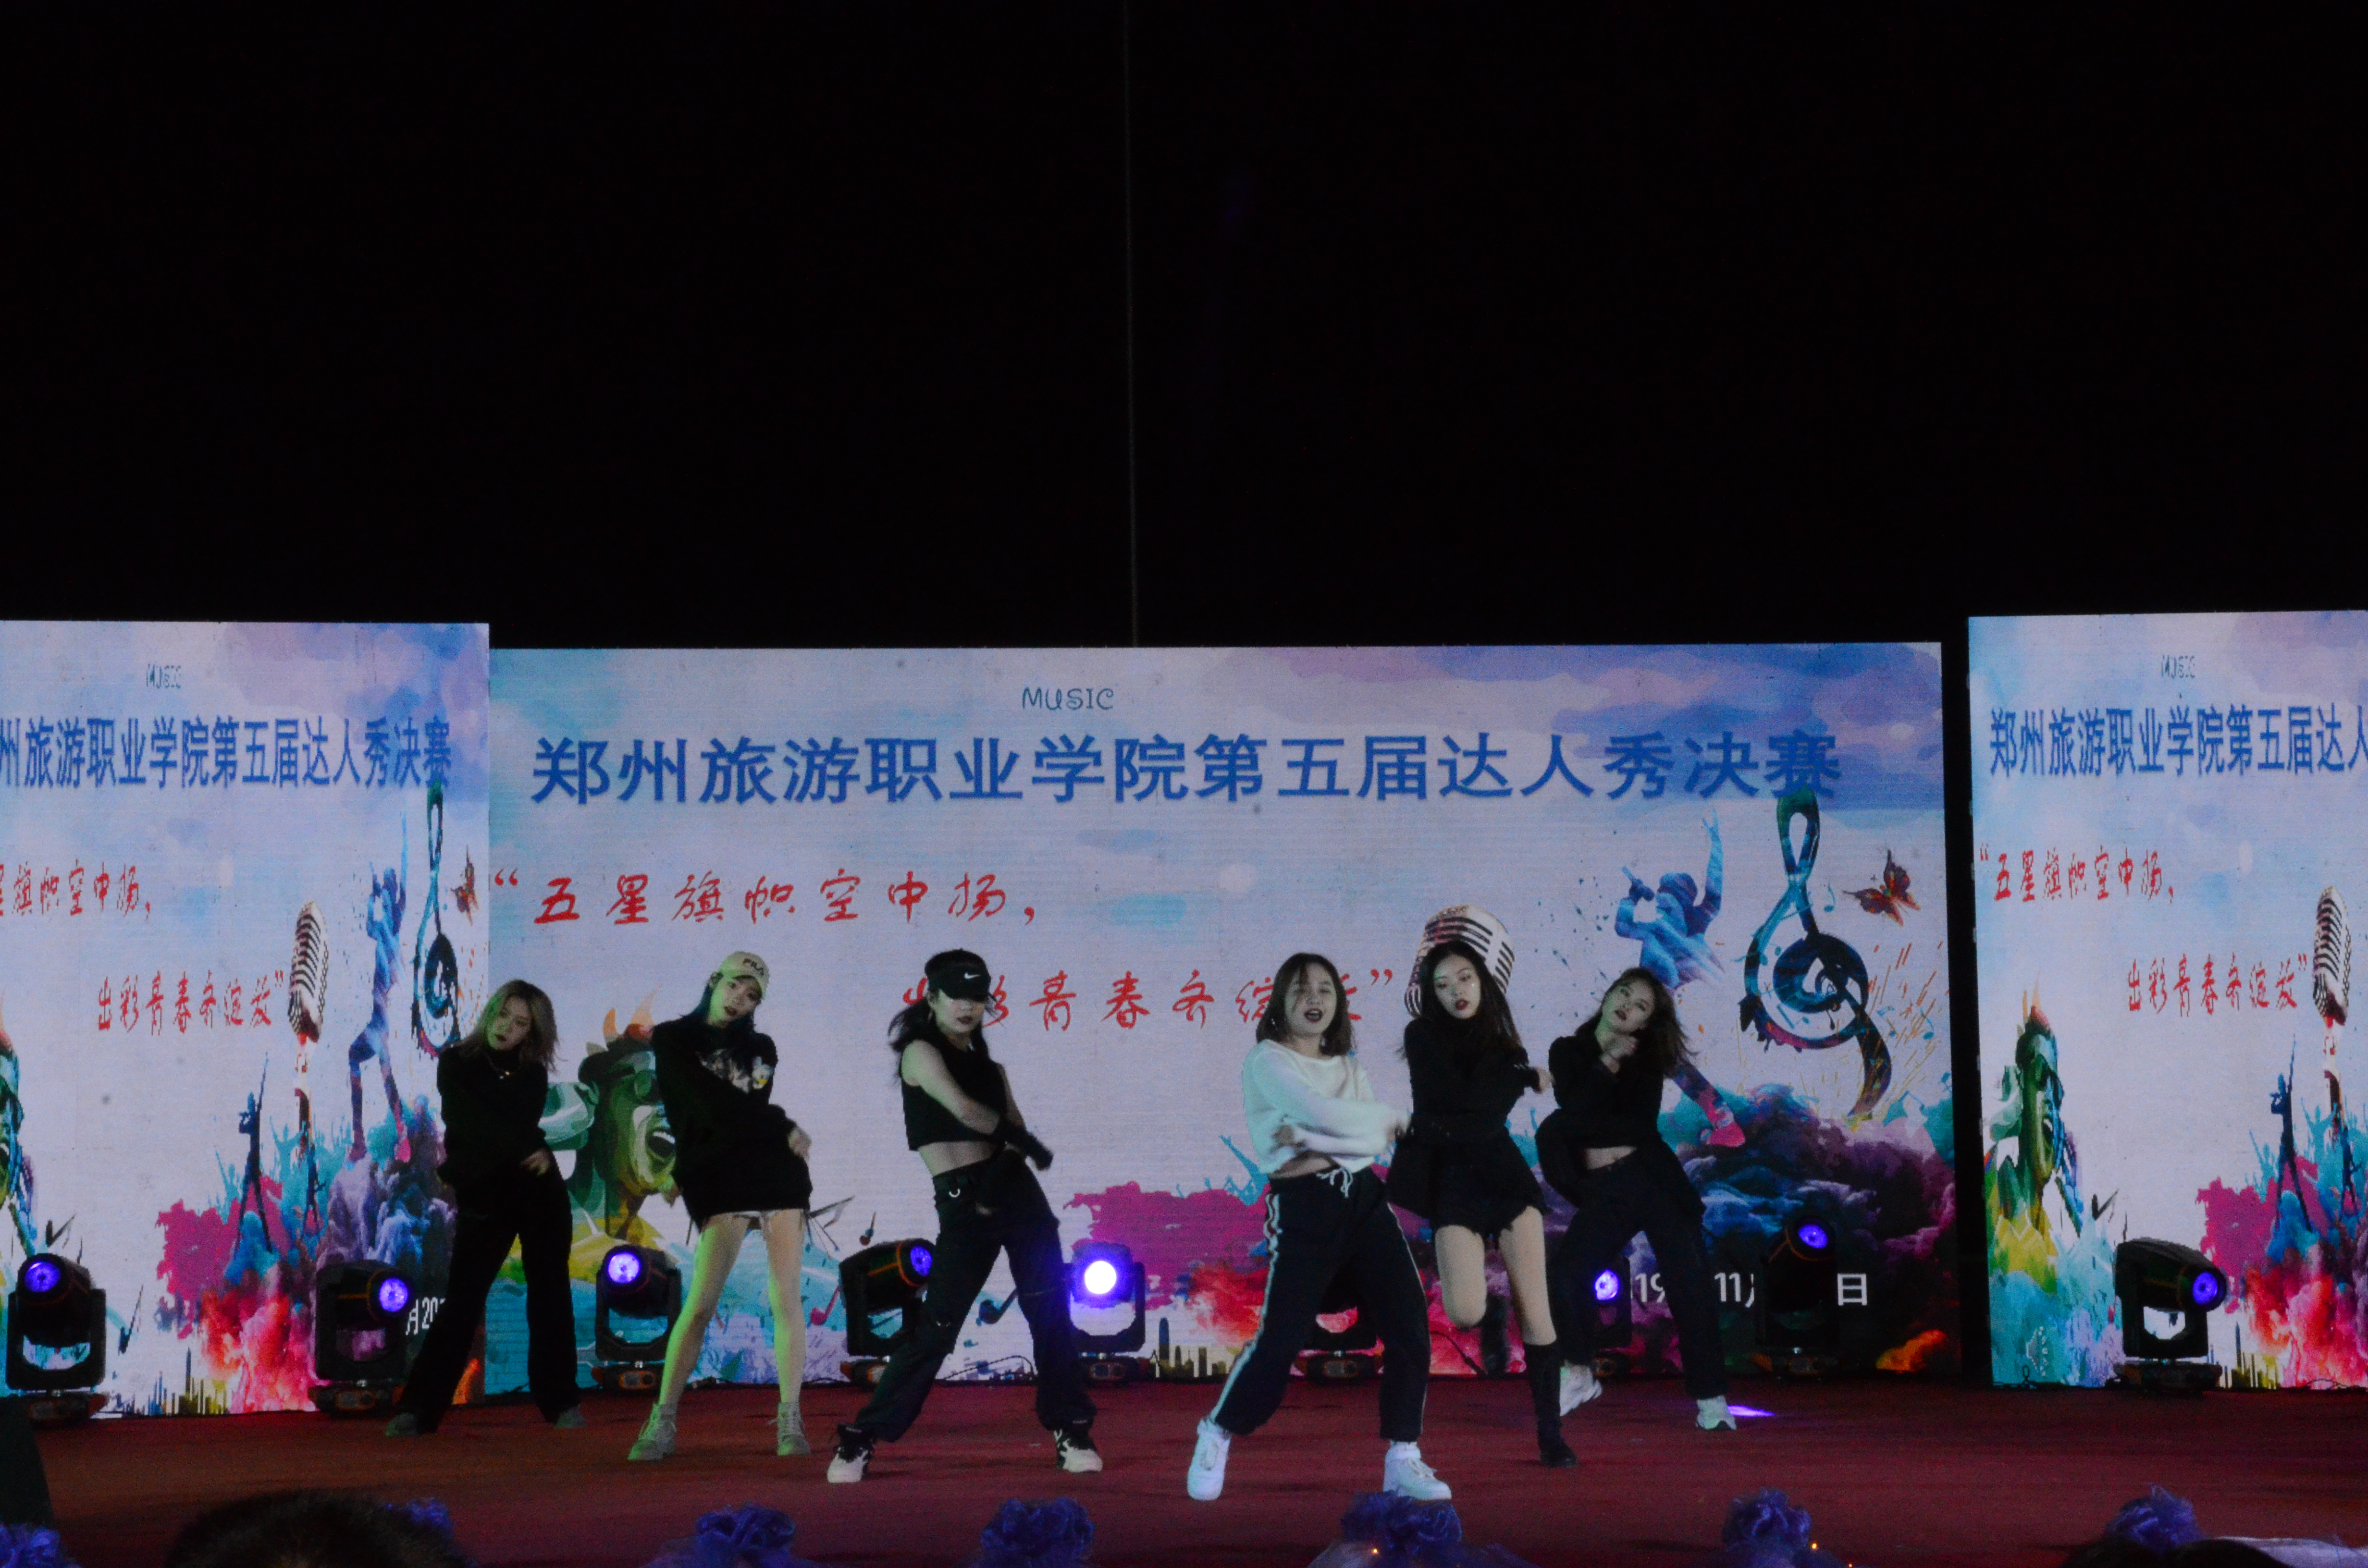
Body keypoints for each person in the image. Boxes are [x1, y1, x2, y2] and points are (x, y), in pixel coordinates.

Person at [828, 950, 1099, 1483]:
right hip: (961, 1200)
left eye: (977, 997)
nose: (967, 1006)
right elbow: (965, 1110)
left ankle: (1071, 1428)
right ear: (931, 998)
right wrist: (1022, 1146)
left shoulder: (993, 1070)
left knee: (1049, 1312)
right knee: (937, 1327)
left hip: (1014, 1193)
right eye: (956, 995)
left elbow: (1010, 1129)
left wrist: (1007, 1168)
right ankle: (864, 1436)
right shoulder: (919, 1053)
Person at [1187, 953, 1448, 1505]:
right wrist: (1374, 1124)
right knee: (1282, 1339)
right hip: (1303, 1207)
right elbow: (1332, 1117)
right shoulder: (1266, 1061)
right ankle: (1217, 1431)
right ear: (1281, 1001)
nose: (1314, 1000)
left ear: (1338, 1002)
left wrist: (1318, 1139)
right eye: (1301, 990)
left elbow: (1366, 1143)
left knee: (1408, 1324)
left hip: (1363, 1200)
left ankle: (1403, 1456)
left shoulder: (1347, 1066)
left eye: (1325, 990)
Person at [1385, 907, 1573, 1467]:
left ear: (1483, 981)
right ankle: (1493, 1312)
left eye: (1464, 978)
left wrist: (1437, 1120)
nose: (1456, 991)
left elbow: (1473, 1123)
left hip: (1504, 1180)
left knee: (1536, 1312)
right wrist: (1513, 1081)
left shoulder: (1507, 1051)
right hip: (1452, 1185)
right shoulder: (1421, 1036)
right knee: (1464, 1311)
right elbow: (1459, 1114)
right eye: (1442, 984)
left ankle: (1550, 1433)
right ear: (1430, 993)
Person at [629, 951, 814, 1461]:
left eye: (752, 995)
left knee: (786, 1298)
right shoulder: (672, 1038)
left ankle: (790, 1419)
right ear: (714, 981)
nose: (740, 999)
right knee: (700, 1305)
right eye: (735, 986)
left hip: (777, 1176)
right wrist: (780, 1124)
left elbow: (744, 1116)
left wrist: (770, 1126)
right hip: (718, 1178)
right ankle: (662, 1420)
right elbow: (705, 1105)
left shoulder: (761, 1048)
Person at [1539, 968, 1734, 1430]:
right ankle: (1579, 1371)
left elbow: (1633, 1125)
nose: (1628, 1005)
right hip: (1607, 1191)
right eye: (1624, 993)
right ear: (1609, 994)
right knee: (1566, 1274)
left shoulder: (1647, 1060)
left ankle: (1711, 1399)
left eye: (1641, 1006)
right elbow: (1576, 1106)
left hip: (1651, 1178)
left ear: (1646, 1023)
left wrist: (1588, 1109)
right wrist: (1607, 1061)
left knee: (1690, 1286)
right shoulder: (1568, 1051)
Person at [386, 981, 581, 1437]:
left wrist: (525, 1146)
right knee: (463, 1302)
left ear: (532, 1033)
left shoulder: (532, 1073)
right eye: (503, 1015)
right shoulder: (457, 1061)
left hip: (538, 1192)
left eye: (520, 1023)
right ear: (490, 1012)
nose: (506, 1027)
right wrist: (526, 1147)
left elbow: (514, 1123)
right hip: (488, 1193)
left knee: (550, 1296)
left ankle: (562, 1402)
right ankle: (418, 1409)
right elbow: (469, 1122)